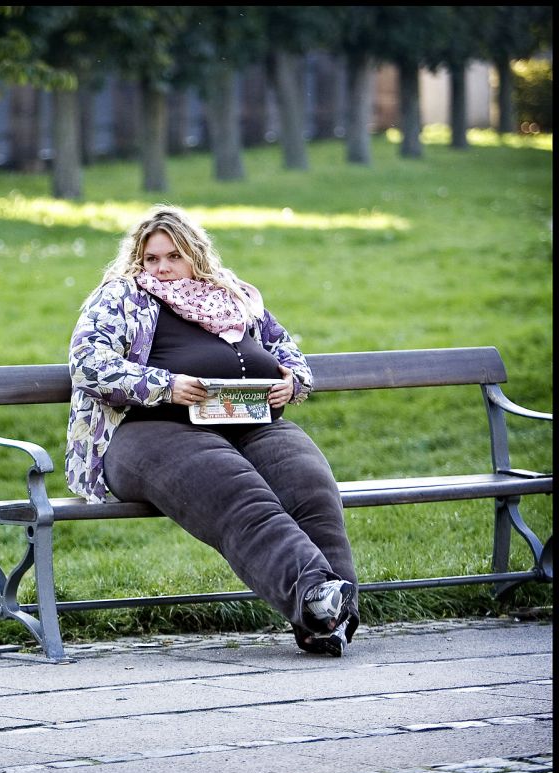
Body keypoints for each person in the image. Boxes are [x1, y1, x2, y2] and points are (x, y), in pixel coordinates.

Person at [66, 204, 361, 657]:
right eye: (152, 258)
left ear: (195, 255)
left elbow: (284, 346)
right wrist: (164, 385)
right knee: (241, 495)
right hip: (152, 431)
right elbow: (88, 363)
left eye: (174, 256)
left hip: (250, 421)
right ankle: (315, 595)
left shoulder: (232, 294)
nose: (162, 268)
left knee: (312, 489)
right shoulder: (120, 297)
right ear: (138, 261)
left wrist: (290, 380)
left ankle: (331, 620)